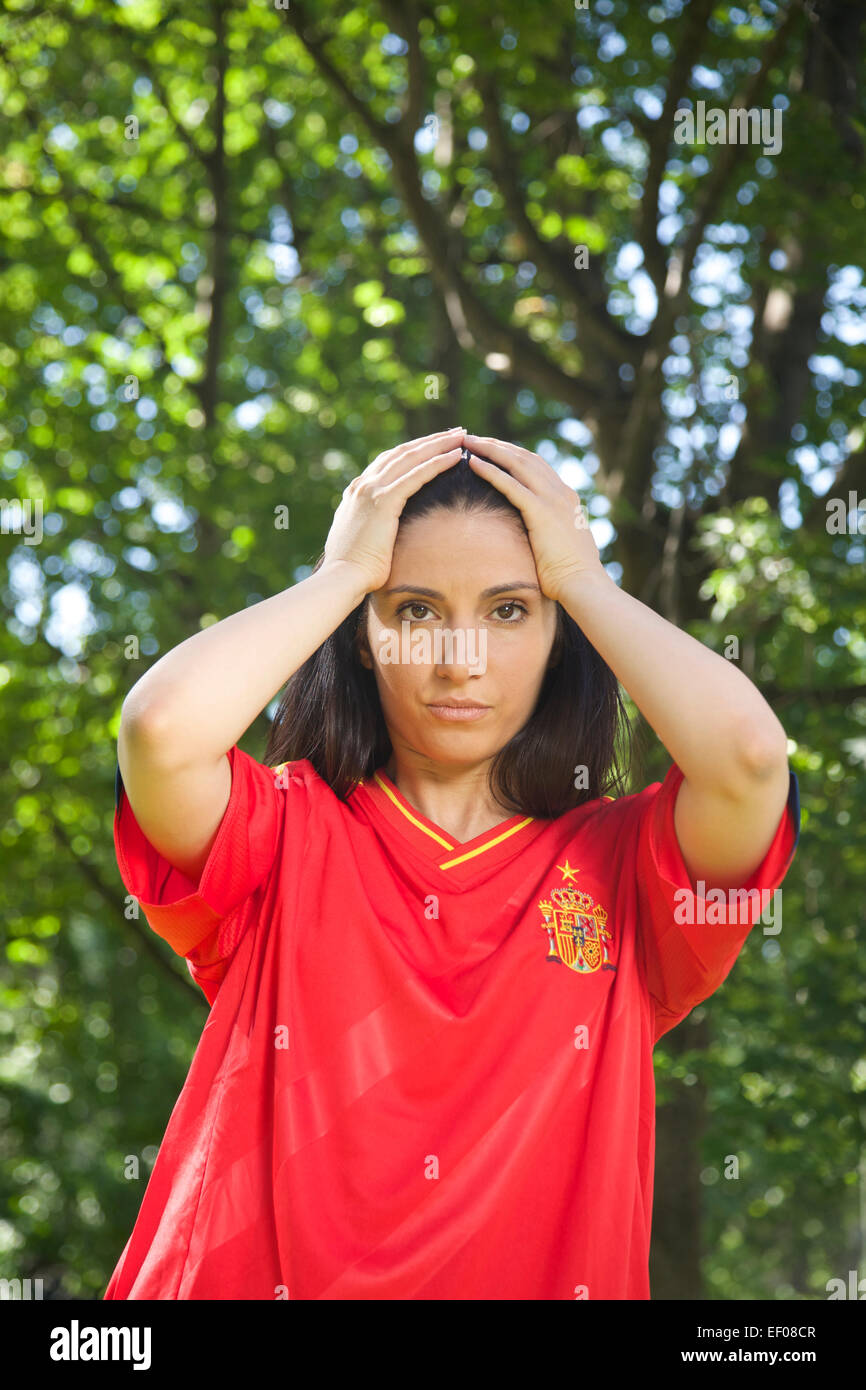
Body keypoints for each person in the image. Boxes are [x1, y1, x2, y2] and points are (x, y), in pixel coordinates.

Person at [103, 426, 799, 1300]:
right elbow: (160, 731)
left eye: (509, 611)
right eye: (415, 611)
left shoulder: (625, 866)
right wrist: (341, 575)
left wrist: (583, 580)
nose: (459, 660)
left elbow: (749, 757)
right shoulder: (280, 831)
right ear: (362, 636)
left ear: (560, 636)